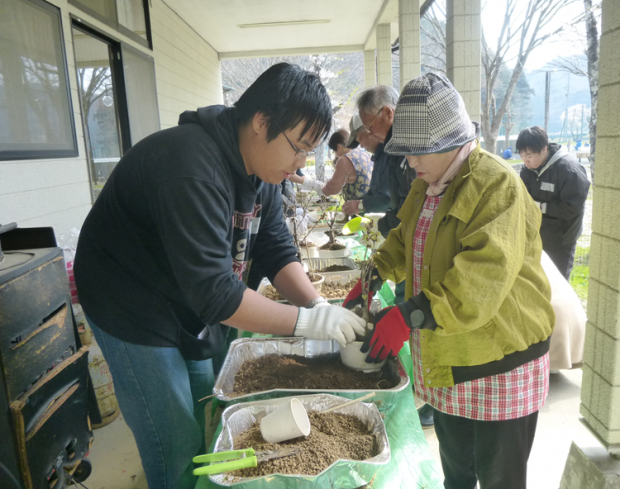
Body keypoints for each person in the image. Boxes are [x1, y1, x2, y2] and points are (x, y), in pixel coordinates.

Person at [74, 63, 366, 489]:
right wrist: (309, 323)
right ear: (261, 122)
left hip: (184, 292)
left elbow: (274, 247)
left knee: (205, 403)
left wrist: (317, 305)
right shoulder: (190, 166)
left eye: (310, 151)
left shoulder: (261, 168)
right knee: (172, 435)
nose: (302, 163)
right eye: (299, 148)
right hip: (130, 302)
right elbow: (215, 295)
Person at [344, 73, 555, 489]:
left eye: (418, 153)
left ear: (450, 143)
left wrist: (410, 314)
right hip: (452, 358)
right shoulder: (430, 185)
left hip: (499, 363)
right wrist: (374, 274)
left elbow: (478, 283)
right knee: (457, 473)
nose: (411, 163)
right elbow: (403, 237)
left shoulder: (496, 187)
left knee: (499, 480)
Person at [516, 126, 590, 279]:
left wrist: (541, 207)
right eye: (522, 156)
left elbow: (573, 208)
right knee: (535, 280)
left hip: (561, 240)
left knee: (557, 283)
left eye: (529, 156)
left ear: (544, 149)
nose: (526, 162)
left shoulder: (569, 170)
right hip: (536, 236)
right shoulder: (528, 170)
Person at [289, 120, 374, 201]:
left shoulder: (344, 160)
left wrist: (322, 189)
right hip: (369, 199)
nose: (335, 154)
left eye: (334, 151)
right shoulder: (361, 153)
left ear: (339, 147)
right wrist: (311, 182)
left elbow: (333, 188)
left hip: (357, 204)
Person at [342, 125, 392, 215]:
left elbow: (388, 199)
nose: (361, 145)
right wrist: (356, 205)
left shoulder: (389, 154)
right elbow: (373, 193)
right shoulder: (379, 156)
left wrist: (360, 205)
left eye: (360, 138)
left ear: (370, 132)